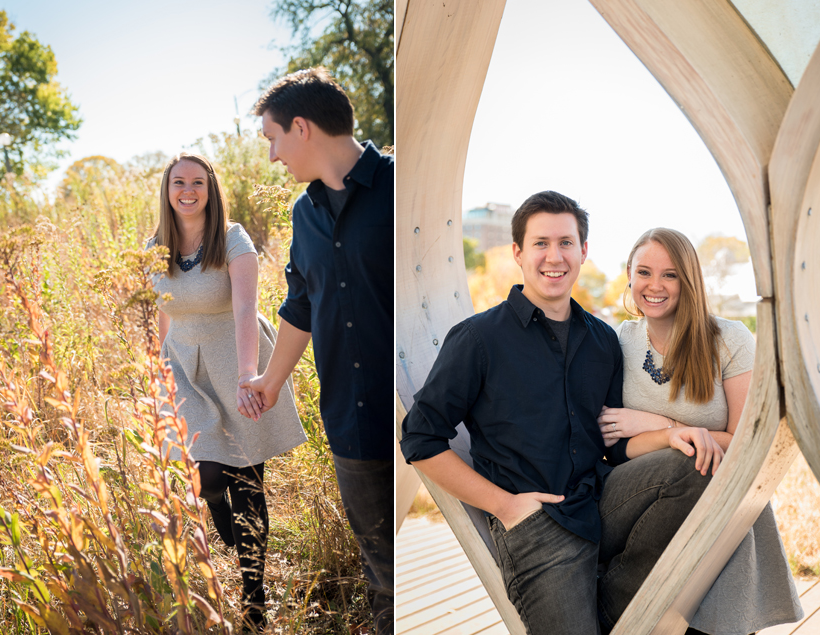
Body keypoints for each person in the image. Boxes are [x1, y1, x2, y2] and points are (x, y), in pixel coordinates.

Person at [400, 191, 719, 634]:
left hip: (601, 500)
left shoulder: (603, 341)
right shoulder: (478, 339)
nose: (555, 256)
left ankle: (611, 606)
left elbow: (614, 444)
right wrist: (506, 507)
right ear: (518, 252)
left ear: (583, 251)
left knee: (693, 465)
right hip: (536, 524)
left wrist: (670, 432)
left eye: (566, 243)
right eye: (541, 243)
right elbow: (419, 439)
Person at [241, 68, 394, 634]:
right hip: (350, 419)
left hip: (416, 414)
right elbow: (301, 305)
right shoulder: (303, 215)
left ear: (301, 128)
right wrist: (270, 381)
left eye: (273, 138)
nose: (274, 155)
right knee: (381, 570)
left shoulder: (402, 188)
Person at [596, 228, 803, 634]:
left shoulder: (730, 339)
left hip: (716, 496)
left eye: (670, 275)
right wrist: (668, 436)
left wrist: (662, 424)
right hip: (641, 500)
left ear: (689, 280)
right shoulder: (619, 340)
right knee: (688, 461)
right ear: (629, 275)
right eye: (644, 272)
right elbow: (614, 440)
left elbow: (747, 443)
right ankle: (617, 597)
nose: (655, 286)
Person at [147, 152, 307, 632]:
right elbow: (157, 312)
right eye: (179, 182)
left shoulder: (232, 239)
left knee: (247, 477)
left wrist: (247, 376)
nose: (188, 190)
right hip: (183, 363)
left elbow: (244, 309)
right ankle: (217, 508)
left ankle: (254, 597)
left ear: (211, 189)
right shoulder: (155, 244)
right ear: (167, 190)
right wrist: (154, 365)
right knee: (210, 474)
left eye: (198, 181)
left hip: (235, 355)